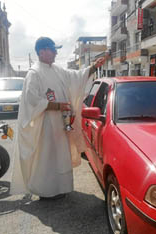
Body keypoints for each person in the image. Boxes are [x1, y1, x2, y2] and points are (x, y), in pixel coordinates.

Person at [10, 37, 105, 200]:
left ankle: (61, 188)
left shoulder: (56, 69)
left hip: (61, 125)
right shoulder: (34, 73)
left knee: (61, 156)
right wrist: (58, 106)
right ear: (42, 52)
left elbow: (76, 77)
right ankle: (46, 192)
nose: (55, 53)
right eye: (52, 49)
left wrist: (94, 67)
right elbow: (32, 100)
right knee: (47, 158)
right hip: (45, 125)